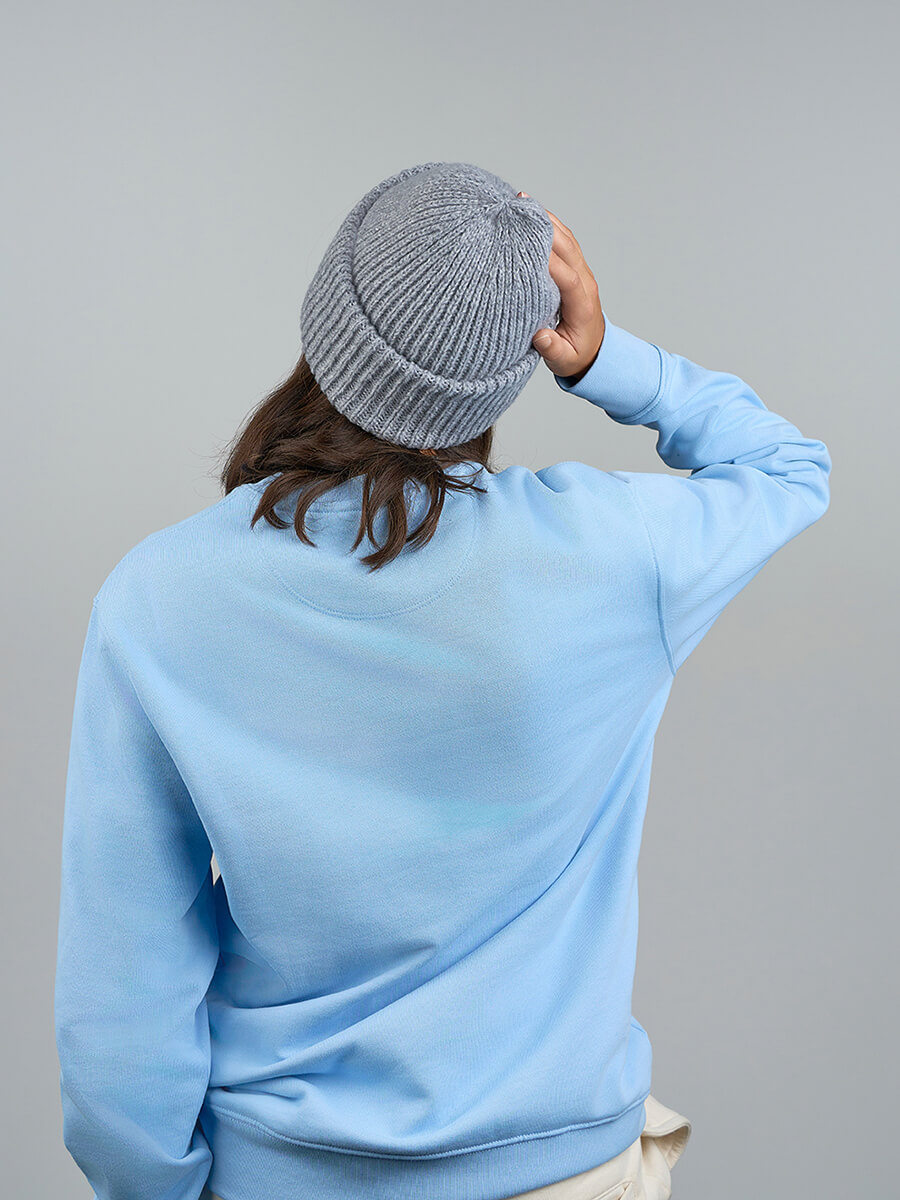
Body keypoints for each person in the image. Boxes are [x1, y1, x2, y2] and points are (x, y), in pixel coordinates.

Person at [54, 161, 831, 1200]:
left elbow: (123, 980)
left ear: (325, 319)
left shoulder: (157, 597)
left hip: (285, 1174)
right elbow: (788, 469)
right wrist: (608, 360)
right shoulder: (613, 556)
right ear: (509, 363)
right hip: (568, 1172)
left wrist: (155, 1187)